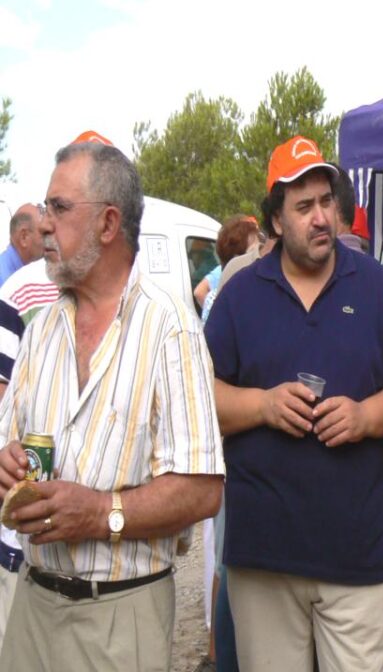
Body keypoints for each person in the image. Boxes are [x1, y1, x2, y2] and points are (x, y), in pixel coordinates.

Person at [203, 135, 383, 671]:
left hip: (357, 557)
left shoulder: (370, 283)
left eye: (326, 201)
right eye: (304, 206)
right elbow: (198, 397)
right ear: (276, 220)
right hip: (264, 558)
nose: (321, 217)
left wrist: (366, 416)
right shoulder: (241, 296)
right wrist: (263, 406)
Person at [0, 139, 224, 672]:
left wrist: (100, 513)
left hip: (122, 615)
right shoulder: (42, 330)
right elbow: (8, 444)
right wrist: (6, 464)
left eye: (58, 207)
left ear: (107, 224)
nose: (43, 224)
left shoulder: (170, 328)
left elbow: (203, 490)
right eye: (45, 207)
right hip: (32, 603)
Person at [0, 204, 43, 286]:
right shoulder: (4, 280)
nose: (49, 240)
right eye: (44, 233)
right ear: (24, 237)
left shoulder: (29, 272)